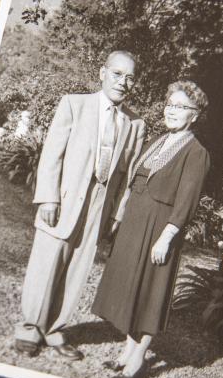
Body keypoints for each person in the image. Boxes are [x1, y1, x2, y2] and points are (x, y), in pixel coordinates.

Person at [16, 51, 146, 360]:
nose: (123, 82)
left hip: (99, 206)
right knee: (47, 262)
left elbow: (128, 175)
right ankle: (30, 328)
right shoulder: (74, 104)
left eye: (129, 77)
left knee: (77, 266)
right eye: (117, 74)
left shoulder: (135, 123)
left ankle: (55, 329)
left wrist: (117, 213)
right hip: (63, 198)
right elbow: (52, 154)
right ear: (102, 73)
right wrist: (48, 196)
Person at [92, 80, 211, 378]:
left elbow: (186, 201)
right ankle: (127, 351)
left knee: (151, 292)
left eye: (181, 107)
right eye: (170, 105)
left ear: (194, 115)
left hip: (160, 227)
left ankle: (139, 359)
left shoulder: (196, 153)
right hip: (135, 223)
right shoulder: (159, 141)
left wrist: (167, 237)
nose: (172, 111)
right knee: (134, 288)